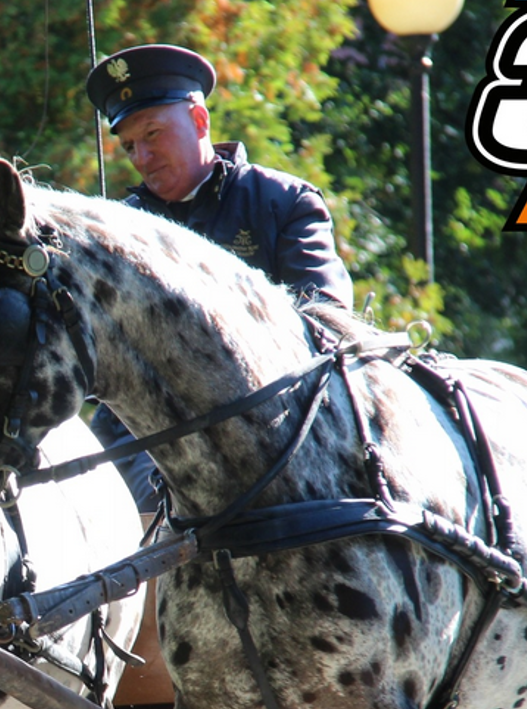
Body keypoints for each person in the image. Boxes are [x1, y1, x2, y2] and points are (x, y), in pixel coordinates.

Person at [82, 44, 354, 511]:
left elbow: (325, 327)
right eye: (129, 146)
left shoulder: (282, 203)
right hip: (139, 447)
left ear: (200, 121)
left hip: (278, 437)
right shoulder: (119, 231)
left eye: (153, 133)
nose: (142, 157)